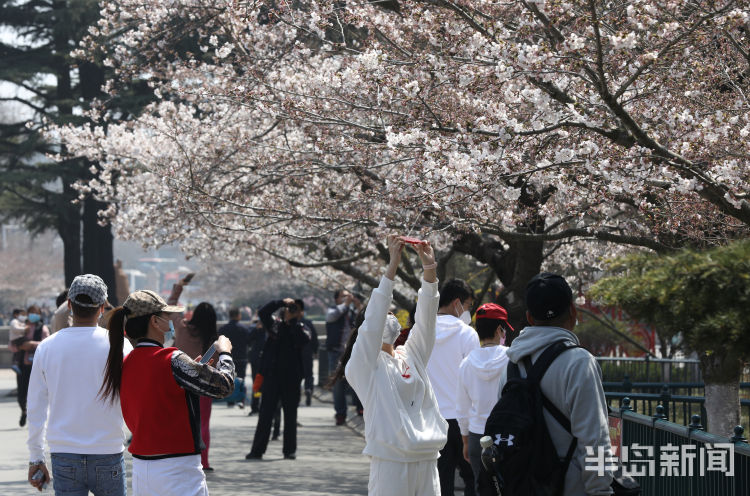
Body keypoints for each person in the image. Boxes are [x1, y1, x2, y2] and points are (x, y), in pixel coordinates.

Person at [337, 235, 447, 496]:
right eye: (385, 313)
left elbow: (427, 320)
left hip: (427, 458)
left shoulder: (412, 355)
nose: (389, 318)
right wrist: (392, 266)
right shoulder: (363, 367)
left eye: (391, 313)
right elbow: (373, 320)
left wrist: (429, 270)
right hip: (391, 462)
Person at [100, 290, 235, 496]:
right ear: (155, 321)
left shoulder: (126, 362)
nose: (170, 320)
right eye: (166, 316)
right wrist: (225, 353)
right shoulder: (172, 358)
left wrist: (192, 371)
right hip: (178, 467)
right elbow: (224, 386)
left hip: (142, 467)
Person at [497, 273, 614, 495]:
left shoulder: (511, 365)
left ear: (529, 317)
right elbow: (595, 438)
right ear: (573, 311)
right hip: (569, 487)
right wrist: (601, 491)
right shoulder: (580, 363)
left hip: (521, 485)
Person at [26, 274, 132, 495]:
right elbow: (134, 396)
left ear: (70, 305)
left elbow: (35, 407)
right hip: (108, 449)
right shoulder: (119, 345)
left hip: (64, 452)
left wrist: (36, 457)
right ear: (102, 307)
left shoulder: (47, 347)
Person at [427, 278, 478, 496]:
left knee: (440, 481)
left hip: (431, 419)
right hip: (462, 419)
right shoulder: (467, 334)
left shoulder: (422, 331)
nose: (468, 312)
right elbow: (474, 381)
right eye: (467, 306)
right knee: (472, 479)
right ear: (457, 303)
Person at [456, 303, 512, 496]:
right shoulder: (512, 359)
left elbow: (462, 409)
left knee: (483, 489)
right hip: (507, 435)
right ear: (499, 329)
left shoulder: (466, 364)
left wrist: (465, 441)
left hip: (476, 436)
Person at [245, 297, 310, 460]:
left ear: (300, 313)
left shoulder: (302, 329)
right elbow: (263, 313)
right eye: (290, 308)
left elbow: (302, 340)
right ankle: (257, 450)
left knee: (290, 415)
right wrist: (280, 302)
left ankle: (289, 450)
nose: (291, 311)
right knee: (265, 414)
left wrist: (292, 322)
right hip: (272, 377)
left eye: (295, 309)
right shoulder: (275, 325)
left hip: (292, 379)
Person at [186, 302, 220, 471]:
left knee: (183, 423)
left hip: (181, 382)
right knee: (203, 424)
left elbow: (171, 309)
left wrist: (179, 289)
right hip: (203, 386)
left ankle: (183, 458)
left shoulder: (182, 329)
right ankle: (203, 461)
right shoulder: (213, 340)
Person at [326, 288, 363, 425]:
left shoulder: (353, 312)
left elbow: (365, 319)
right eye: (343, 297)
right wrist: (345, 305)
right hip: (336, 352)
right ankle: (340, 414)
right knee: (338, 385)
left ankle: (360, 408)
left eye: (348, 297)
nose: (347, 298)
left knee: (358, 381)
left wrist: (358, 306)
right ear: (336, 299)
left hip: (353, 352)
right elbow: (331, 317)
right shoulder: (333, 310)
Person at [16, 305, 50, 428]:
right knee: (21, 392)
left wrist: (31, 344)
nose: (33, 315)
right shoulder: (20, 327)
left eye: (36, 313)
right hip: (22, 364)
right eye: (31, 313)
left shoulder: (42, 328)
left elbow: (46, 343)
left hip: (36, 365)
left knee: (36, 393)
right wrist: (20, 346)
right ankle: (24, 411)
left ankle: (34, 417)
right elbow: (12, 344)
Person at [218, 307, 252, 408]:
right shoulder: (244, 329)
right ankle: (241, 400)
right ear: (239, 315)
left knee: (229, 378)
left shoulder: (223, 329)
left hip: (228, 356)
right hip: (241, 357)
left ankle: (230, 400)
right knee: (241, 378)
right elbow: (249, 342)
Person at [296, 298, 319, 406]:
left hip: (295, 353)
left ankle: (297, 394)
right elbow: (314, 338)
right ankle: (308, 388)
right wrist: (315, 350)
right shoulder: (308, 323)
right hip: (307, 352)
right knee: (309, 374)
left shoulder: (291, 324)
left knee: (297, 374)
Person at [247, 318, 267, 415]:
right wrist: (256, 329)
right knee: (258, 385)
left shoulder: (269, 331)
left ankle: (258, 405)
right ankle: (256, 405)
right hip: (259, 361)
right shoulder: (258, 331)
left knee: (260, 385)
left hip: (263, 360)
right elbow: (248, 339)